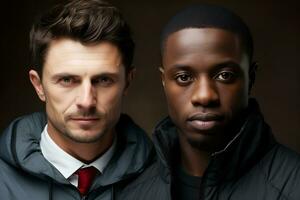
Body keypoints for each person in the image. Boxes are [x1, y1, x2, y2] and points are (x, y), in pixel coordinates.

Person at [0, 0, 156, 199]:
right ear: (39, 85)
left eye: (103, 80)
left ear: (127, 82)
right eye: (67, 80)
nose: (86, 101)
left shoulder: (164, 182)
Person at [153, 4, 300, 200]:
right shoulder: (131, 193)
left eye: (224, 75)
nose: (204, 96)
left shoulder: (293, 187)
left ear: (251, 78)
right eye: (183, 77)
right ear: (164, 81)